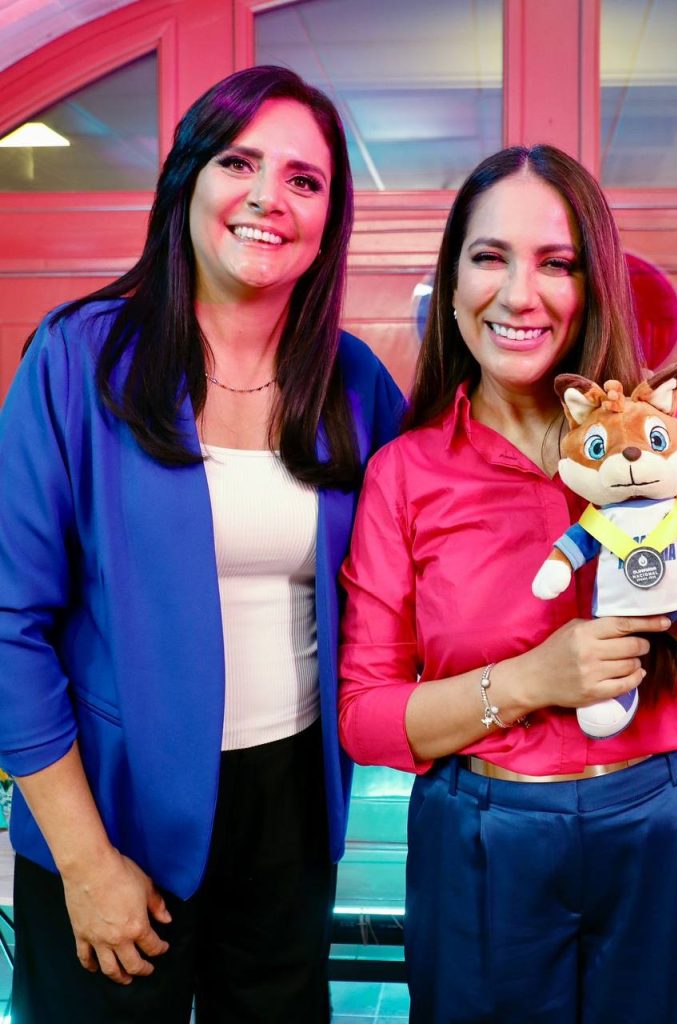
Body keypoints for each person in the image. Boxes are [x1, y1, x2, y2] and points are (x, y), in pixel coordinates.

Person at [0, 65, 404, 1024]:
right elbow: (9, 623)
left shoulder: (354, 383)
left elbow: (448, 533)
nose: (268, 197)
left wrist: (659, 523)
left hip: (290, 812)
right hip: (111, 811)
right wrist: (86, 863)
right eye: (238, 162)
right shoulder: (78, 357)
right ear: (188, 180)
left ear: (330, 218)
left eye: (304, 179)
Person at [338, 145, 677, 1024]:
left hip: (671, 822)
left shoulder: (660, 444)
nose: (519, 294)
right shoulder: (404, 474)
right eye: (490, 257)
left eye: (556, 263)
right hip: (484, 845)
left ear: (592, 284)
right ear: (452, 283)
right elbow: (366, 717)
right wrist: (532, 680)